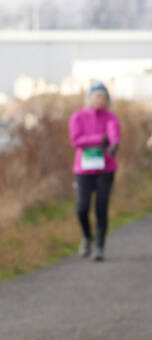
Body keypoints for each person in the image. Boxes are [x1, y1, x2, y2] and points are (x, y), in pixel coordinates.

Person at [69, 82, 121, 261]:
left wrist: (113, 144)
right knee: (82, 208)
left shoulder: (110, 118)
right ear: (89, 98)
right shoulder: (78, 117)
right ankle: (87, 237)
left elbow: (114, 134)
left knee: (101, 207)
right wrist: (100, 139)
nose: (101, 100)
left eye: (104, 97)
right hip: (83, 169)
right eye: (97, 96)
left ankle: (100, 247)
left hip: (105, 168)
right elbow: (76, 141)